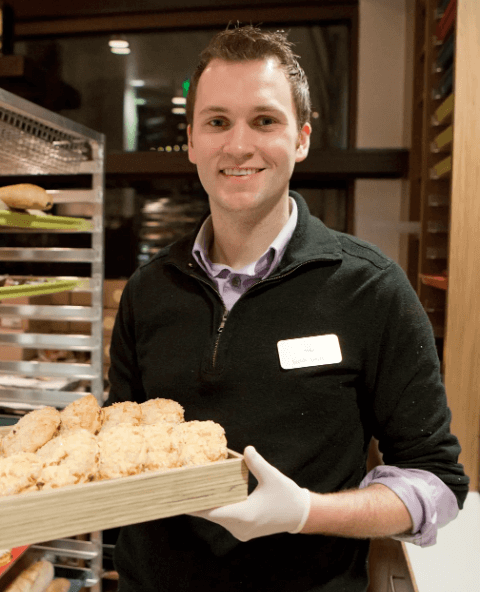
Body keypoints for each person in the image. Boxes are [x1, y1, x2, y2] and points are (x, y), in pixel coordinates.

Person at [106, 25, 469, 591]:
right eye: (218, 122)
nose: (239, 144)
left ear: (300, 139)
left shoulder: (370, 289)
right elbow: (115, 449)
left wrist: (304, 512)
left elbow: (438, 483)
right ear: (193, 142)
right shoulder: (149, 290)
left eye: (265, 121)